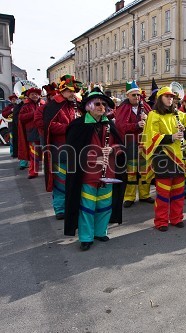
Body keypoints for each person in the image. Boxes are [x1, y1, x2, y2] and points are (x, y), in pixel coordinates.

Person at [64, 88, 124, 251]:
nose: (101, 106)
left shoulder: (109, 124)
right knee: (87, 207)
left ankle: (100, 231)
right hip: (88, 175)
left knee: (105, 205)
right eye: (97, 103)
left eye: (104, 104)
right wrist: (93, 159)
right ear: (88, 106)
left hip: (108, 173)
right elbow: (72, 153)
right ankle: (86, 237)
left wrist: (113, 150)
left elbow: (120, 145)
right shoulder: (78, 126)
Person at [143, 86, 186, 231]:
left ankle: (177, 218)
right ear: (160, 99)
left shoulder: (180, 115)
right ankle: (161, 221)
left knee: (179, 192)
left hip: (180, 158)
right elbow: (151, 136)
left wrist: (185, 132)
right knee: (163, 194)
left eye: (172, 97)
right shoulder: (153, 115)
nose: (170, 99)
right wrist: (170, 137)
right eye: (167, 96)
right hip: (163, 159)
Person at [42, 75, 81, 220]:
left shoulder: (76, 104)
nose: (73, 93)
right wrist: (69, 128)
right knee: (60, 181)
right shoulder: (53, 106)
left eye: (74, 91)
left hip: (76, 149)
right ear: (63, 90)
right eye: (70, 91)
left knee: (73, 180)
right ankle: (59, 208)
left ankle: (71, 206)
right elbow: (50, 126)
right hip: (60, 149)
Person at [114, 80, 154, 208]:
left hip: (144, 143)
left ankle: (144, 194)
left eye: (138, 95)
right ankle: (129, 196)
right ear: (128, 96)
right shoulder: (123, 109)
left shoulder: (146, 107)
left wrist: (147, 121)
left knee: (144, 170)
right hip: (130, 144)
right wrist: (136, 125)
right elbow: (120, 126)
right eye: (134, 95)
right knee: (131, 172)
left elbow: (154, 123)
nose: (137, 97)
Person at [18, 87, 45, 179]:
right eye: (32, 94)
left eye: (36, 94)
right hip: (32, 132)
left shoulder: (43, 104)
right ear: (29, 96)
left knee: (47, 152)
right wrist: (34, 114)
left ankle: (49, 172)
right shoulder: (25, 106)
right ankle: (33, 172)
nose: (35, 95)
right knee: (34, 153)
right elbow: (21, 117)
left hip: (43, 131)